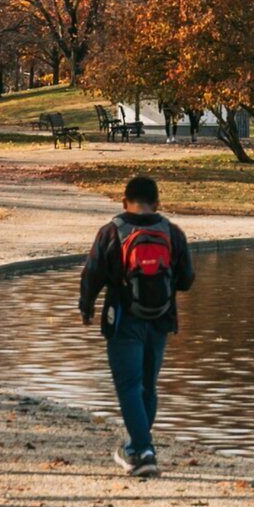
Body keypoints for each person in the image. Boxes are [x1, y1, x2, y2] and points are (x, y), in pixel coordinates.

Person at [77, 172, 195, 476]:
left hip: (123, 317)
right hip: (161, 319)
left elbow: (92, 274)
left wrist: (86, 307)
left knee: (128, 385)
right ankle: (136, 448)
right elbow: (187, 280)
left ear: (124, 201)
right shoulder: (173, 232)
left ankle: (143, 450)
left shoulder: (111, 231)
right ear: (157, 202)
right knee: (147, 386)